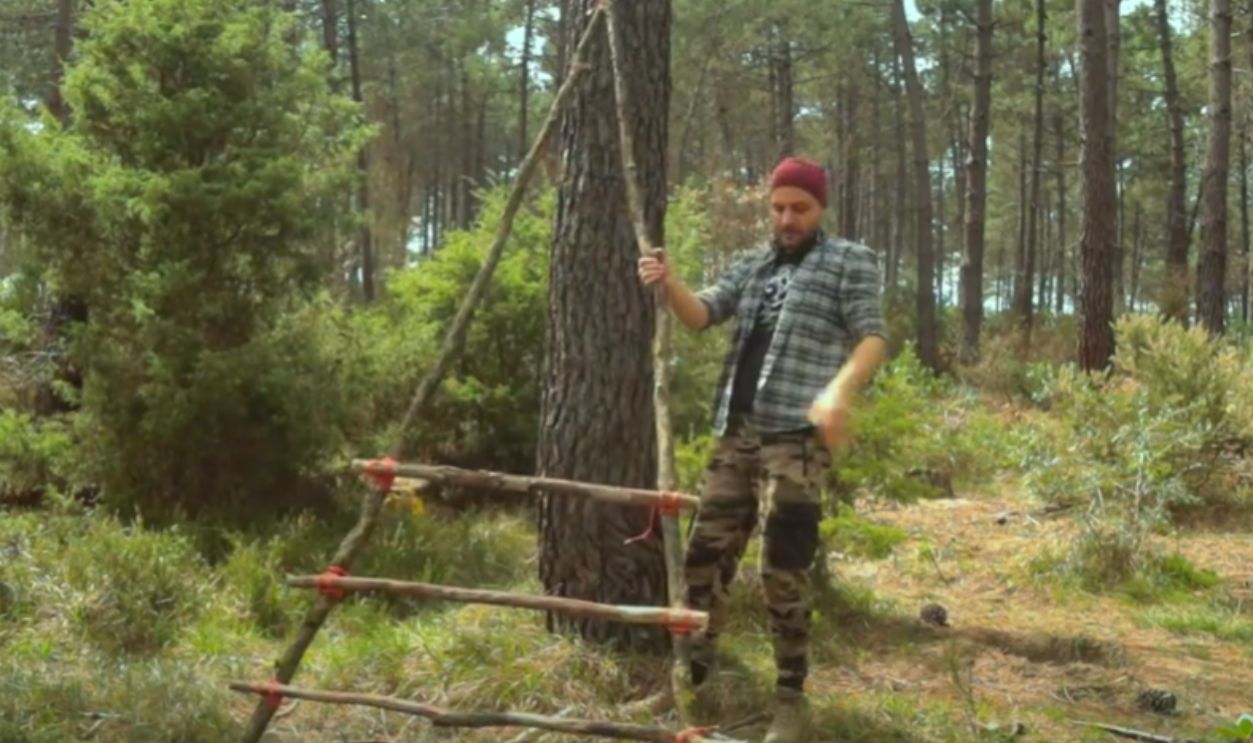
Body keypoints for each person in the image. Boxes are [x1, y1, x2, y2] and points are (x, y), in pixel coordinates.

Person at [637, 156, 888, 742]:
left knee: (784, 565)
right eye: (778, 207)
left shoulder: (849, 261)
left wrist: (837, 392)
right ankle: (693, 679)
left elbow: (872, 336)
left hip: (796, 442)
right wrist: (669, 281)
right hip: (737, 434)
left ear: (820, 208)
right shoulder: (751, 265)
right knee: (704, 556)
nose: (787, 218)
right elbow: (702, 314)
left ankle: (790, 699)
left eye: (799, 208)